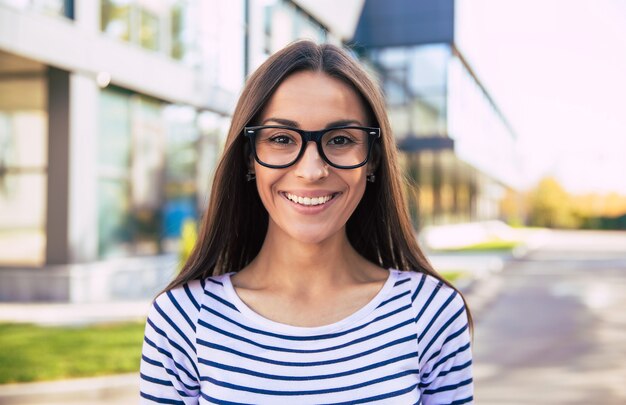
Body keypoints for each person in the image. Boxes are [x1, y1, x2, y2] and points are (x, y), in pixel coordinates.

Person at [140, 40, 473, 404]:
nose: (312, 170)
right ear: (249, 157)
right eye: (282, 139)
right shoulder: (182, 319)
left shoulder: (431, 312)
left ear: (373, 160)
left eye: (341, 139)